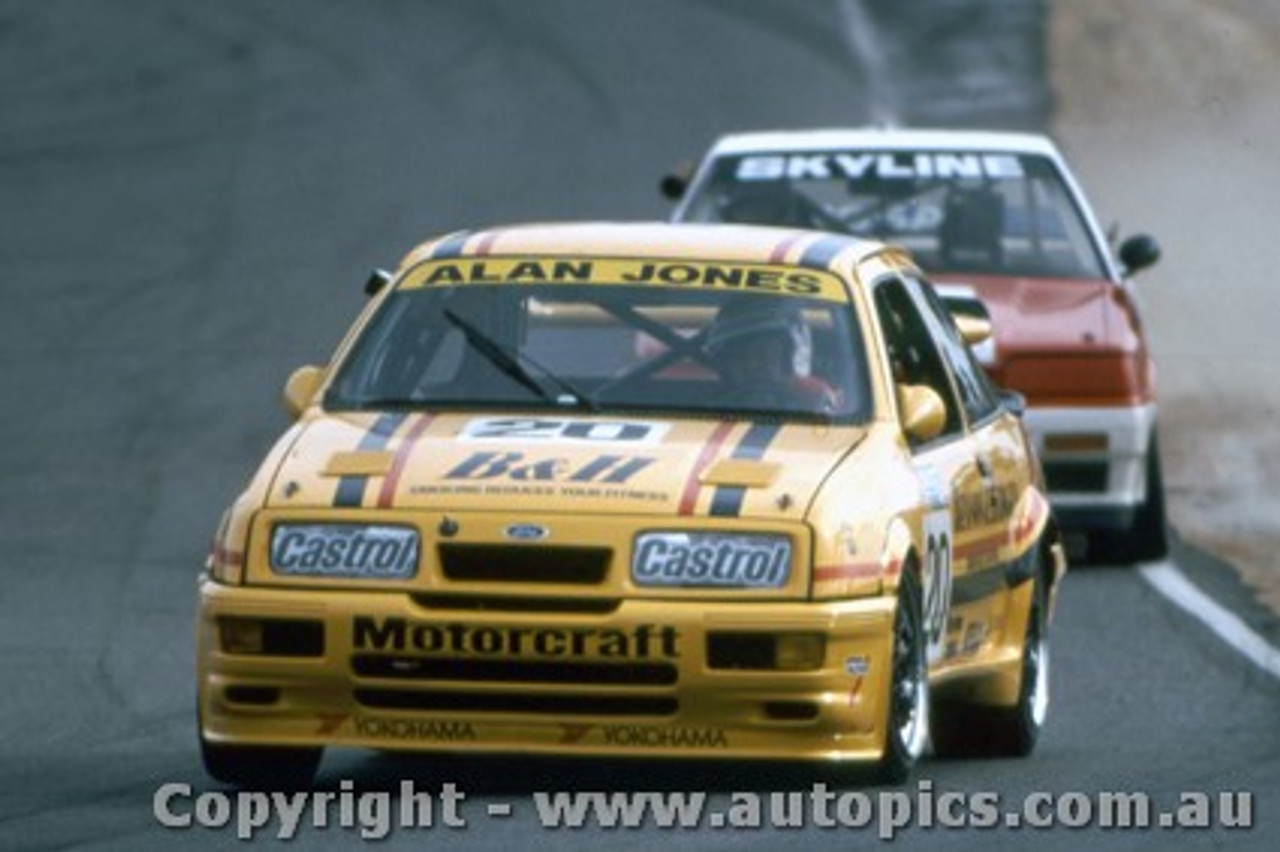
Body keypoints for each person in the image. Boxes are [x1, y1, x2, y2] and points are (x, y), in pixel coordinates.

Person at [703, 297, 839, 413]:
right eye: (740, 356)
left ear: (787, 356)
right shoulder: (701, 411)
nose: (752, 364)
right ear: (725, 365)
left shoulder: (813, 399)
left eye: (762, 352)